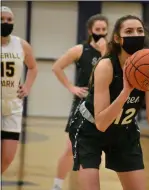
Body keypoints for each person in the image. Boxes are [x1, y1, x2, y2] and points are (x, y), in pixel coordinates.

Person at [69, 15, 149, 190]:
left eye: (139, 31)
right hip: (90, 130)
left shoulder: (147, 67)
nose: (135, 35)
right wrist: (125, 92)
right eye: (129, 31)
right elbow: (101, 123)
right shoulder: (106, 66)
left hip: (124, 130)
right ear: (117, 38)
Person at [51, 14, 108, 190]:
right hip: (83, 105)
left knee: (100, 151)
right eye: (97, 30)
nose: (101, 33)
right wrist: (71, 87)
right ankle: (57, 186)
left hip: (104, 105)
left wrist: (105, 52)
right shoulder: (80, 50)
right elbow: (57, 67)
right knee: (70, 149)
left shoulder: (112, 51)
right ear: (90, 31)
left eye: (104, 30)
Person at [1, 6, 38, 173]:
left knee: (7, 158)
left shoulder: (21, 44)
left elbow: (32, 67)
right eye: (2, 19)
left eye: (9, 20)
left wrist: (27, 86)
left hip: (13, 106)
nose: (5, 22)